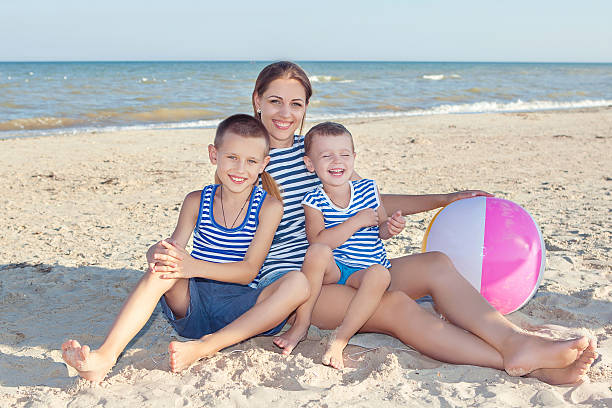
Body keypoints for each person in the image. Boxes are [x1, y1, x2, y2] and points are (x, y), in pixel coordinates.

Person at [155, 62, 597, 385]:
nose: (284, 113)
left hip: (353, 258)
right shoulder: (251, 160)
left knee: (436, 264)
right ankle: (524, 363)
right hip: (301, 280)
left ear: (307, 108)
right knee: (397, 308)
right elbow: (220, 219)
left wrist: (444, 198)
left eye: (295, 103)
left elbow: (370, 199)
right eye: (274, 101)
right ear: (256, 102)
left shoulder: (314, 152)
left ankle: (514, 339)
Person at [61, 114, 310, 383]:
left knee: (298, 282)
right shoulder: (195, 201)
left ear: (264, 164)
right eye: (232, 157)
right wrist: (156, 253)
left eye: (251, 161)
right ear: (214, 154)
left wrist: (192, 266)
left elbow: (249, 272)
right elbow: (174, 248)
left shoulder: (269, 207)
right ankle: (105, 357)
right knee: (163, 270)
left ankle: (205, 347)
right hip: (194, 305)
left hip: (242, 311)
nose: (240, 169)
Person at [285, 121, 403, 369]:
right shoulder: (313, 199)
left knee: (381, 274)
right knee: (317, 252)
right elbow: (317, 241)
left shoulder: (368, 189)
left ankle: (340, 338)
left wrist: (390, 228)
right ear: (310, 164)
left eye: (344, 154)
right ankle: (301, 324)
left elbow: (380, 229)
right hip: (335, 268)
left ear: (354, 158)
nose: (336, 161)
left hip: (363, 271)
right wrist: (356, 221)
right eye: (326, 156)